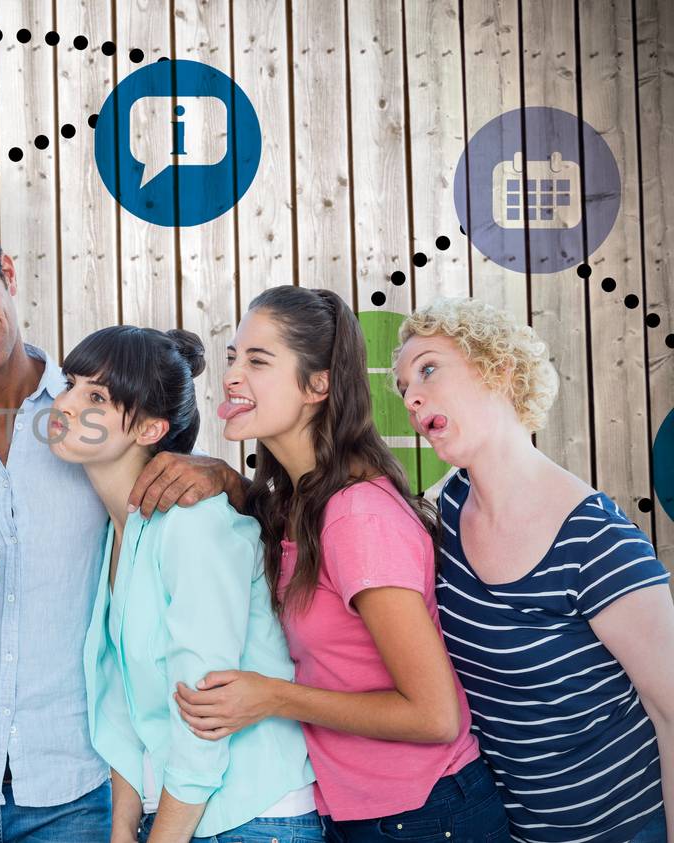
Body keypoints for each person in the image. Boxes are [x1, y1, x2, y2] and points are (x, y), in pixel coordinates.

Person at [0, 201, 244, 841]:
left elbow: (210, 543)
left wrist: (230, 477)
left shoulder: (95, 418)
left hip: (79, 785)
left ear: (8, 274)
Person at [172, 286, 508, 841]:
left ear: (317, 384)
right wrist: (224, 478)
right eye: (233, 358)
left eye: (258, 360)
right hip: (362, 815)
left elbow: (434, 715)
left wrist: (271, 697)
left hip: (426, 818)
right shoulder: (298, 502)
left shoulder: (357, 517)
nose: (232, 376)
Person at [394, 297, 671, 843]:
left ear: (497, 368)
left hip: (626, 828)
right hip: (513, 831)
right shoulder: (441, 511)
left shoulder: (594, 538)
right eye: (403, 387)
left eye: (427, 368)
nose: (411, 397)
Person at [49, 325, 322, 843]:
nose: (63, 404)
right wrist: (123, 827)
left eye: (95, 397)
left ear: (150, 431)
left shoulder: (195, 523)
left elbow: (206, 710)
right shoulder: (117, 532)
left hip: (253, 818)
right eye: (70, 384)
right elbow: (122, 701)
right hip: (179, 813)